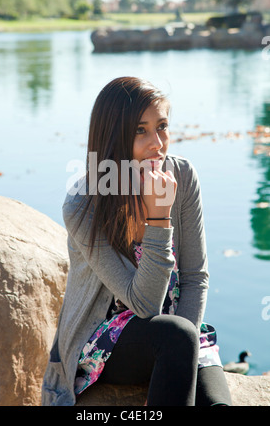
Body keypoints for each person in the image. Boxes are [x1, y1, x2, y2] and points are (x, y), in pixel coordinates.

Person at [42, 76, 232, 406]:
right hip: (104, 339)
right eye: (140, 130)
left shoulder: (182, 176)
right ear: (114, 137)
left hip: (175, 332)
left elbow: (195, 277)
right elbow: (143, 306)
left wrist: (182, 353)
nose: (157, 142)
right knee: (176, 337)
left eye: (162, 126)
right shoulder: (84, 201)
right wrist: (159, 218)